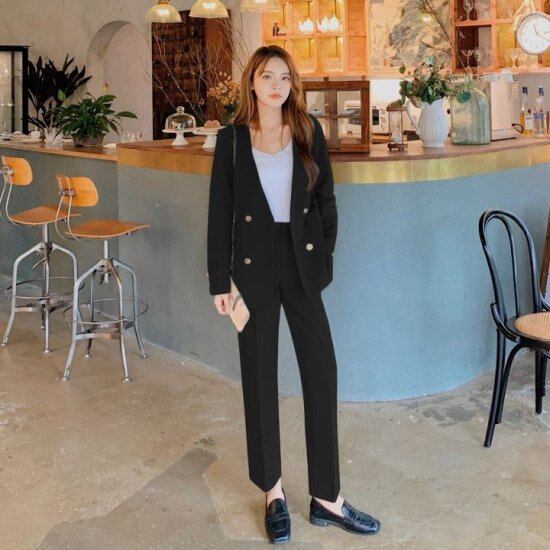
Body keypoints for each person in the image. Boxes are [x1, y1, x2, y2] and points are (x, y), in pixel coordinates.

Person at [207, 45, 381, 544]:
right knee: (259, 376)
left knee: (321, 372)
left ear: (292, 84)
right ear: (252, 81)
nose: (276, 85)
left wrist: (324, 258)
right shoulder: (232, 141)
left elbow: (326, 199)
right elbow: (219, 213)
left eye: (285, 77)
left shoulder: (307, 131)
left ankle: (328, 498)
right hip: (252, 269)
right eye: (268, 76)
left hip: (302, 264)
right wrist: (219, 281)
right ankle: (273, 493)